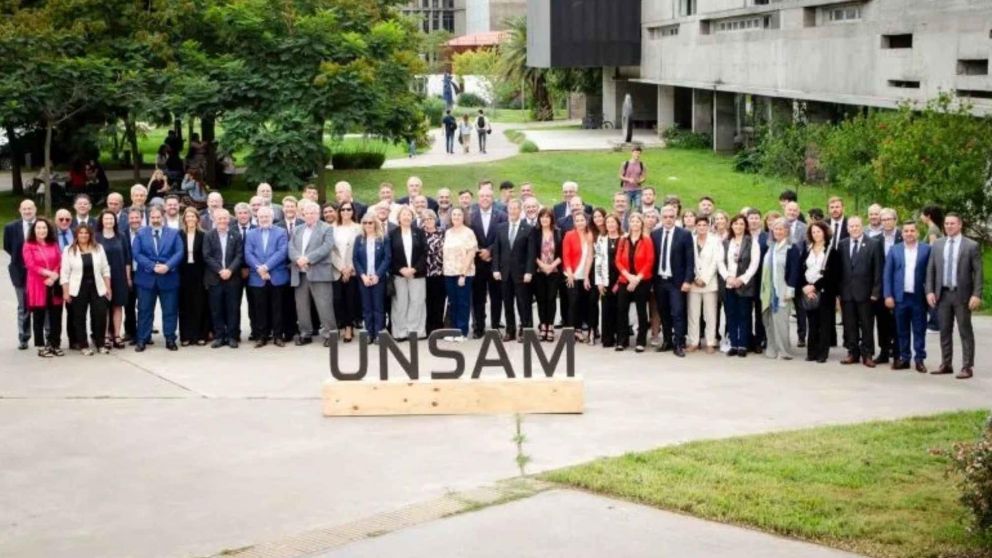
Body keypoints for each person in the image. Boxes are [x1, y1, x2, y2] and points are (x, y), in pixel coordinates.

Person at [925, 213, 983, 379]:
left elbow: (978, 272)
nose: (949, 226)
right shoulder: (937, 245)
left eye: (952, 223)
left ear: (960, 225)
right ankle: (946, 363)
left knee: (965, 331)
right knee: (944, 330)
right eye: (946, 223)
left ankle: (967, 366)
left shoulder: (971, 245)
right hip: (942, 294)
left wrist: (976, 294)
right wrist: (929, 291)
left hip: (962, 295)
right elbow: (931, 269)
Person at [133, 206, 183, 351]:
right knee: (144, 310)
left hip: (169, 277)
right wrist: (151, 266)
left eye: (158, 217)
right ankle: (142, 338)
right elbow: (137, 253)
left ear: (163, 217)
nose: (155, 220)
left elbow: (179, 252)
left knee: (170, 310)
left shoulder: (174, 233)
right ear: (149, 219)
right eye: (152, 218)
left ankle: (170, 338)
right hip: (146, 278)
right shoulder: (141, 234)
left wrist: (167, 266)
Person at [883, 221, 930, 372]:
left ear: (917, 233)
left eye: (912, 231)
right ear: (901, 233)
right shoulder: (894, 250)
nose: (909, 234)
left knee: (919, 329)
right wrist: (888, 295)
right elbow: (887, 274)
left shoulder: (926, 249)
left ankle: (920, 359)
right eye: (906, 231)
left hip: (918, 297)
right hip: (900, 297)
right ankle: (904, 358)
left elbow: (931, 273)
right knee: (901, 330)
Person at [289, 202, 337, 347]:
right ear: (302, 215)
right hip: (300, 273)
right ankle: (306, 333)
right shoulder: (297, 229)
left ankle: (330, 334)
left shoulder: (326, 228)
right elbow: (291, 247)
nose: (309, 215)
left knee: (324, 305)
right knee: (301, 306)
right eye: (306, 213)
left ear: (318, 214)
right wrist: (298, 259)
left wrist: (308, 259)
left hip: (319, 272)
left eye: (313, 213)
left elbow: (327, 247)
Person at [60, 224, 112, 356]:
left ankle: (100, 344)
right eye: (81, 233)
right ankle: (83, 344)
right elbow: (65, 273)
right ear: (76, 235)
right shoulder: (69, 250)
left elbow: (105, 269)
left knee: (100, 315)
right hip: (77, 288)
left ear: (90, 235)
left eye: (86, 233)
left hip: (97, 287)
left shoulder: (98, 248)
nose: (83, 235)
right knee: (79, 317)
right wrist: (66, 292)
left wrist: (108, 287)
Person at [838, 216, 882, 368]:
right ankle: (852, 353)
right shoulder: (842, 244)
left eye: (857, 226)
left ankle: (868, 354)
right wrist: (839, 293)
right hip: (847, 293)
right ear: (848, 228)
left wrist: (876, 292)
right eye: (851, 226)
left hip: (866, 293)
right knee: (849, 325)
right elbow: (840, 271)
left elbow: (878, 270)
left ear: (862, 227)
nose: (854, 229)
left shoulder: (873, 244)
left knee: (867, 325)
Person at [652, 205, 695, 357]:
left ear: (676, 218)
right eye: (665, 217)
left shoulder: (684, 234)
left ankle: (679, 343)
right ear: (661, 218)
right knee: (664, 312)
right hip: (659, 281)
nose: (668, 219)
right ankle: (667, 341)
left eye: (671, 217)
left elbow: (690, 260)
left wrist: (688, 280)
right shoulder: (655, 234)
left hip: (676, 282)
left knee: (677, 312)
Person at [245, 207, 290, 348]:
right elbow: (248, 253)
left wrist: (266, 267)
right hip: (257, 277)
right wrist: (259, 268)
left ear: (272, 218)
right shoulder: (251, 234)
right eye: (261, 217)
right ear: (257, 218)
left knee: (278, 308)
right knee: (260, 308)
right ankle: (261, 336)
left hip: (276, 276)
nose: (264, 219)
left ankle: (278, 336)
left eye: (267, 216)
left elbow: (282, 252)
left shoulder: (281, 232)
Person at [797, 221, 840, 363]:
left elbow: (832, 274)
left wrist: (814, 286)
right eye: (813, 232)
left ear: (825, 233)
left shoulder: (831, 251)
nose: (816, 234)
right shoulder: (808, 249)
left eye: (819, 231)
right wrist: (805, 286)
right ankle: (811, 352)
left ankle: (822, 353)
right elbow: (801, 269)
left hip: (824, 291)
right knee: (812, 323)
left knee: (825, 323)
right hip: (808, 290)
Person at [492, 199, 535, 342]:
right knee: (507, 303)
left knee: (523, 303)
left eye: (516, 208)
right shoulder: (500, 228)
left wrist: (529, 271)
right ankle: (510, 330)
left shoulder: (528, 228)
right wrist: (495, 268)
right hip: (504, 273)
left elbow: (531, 253)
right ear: (507, 210)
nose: (513, 211)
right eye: (511, 208)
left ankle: (525, 329)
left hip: (521, 273)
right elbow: (496, 250)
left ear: (520, 210)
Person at [719, 214, 761, 358]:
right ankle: (734, 344)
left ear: (746, 226)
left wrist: (742, 279)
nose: (738, 226)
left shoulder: (752, 242)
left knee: (744, 315)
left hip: (745, 285)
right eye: (735, 224)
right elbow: (720, 262)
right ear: (731, 226)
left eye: (741, 224)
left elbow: (754, 263)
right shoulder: (726, 242)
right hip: (729, 284)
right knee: (731, 315)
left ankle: (743, 345)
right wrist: (728, 277)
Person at [22, 218, 64, 357]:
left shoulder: (53, 244)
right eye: (39, 228)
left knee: (56, 316)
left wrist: (54, 275)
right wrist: (48, 273)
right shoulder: (29, 245)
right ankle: (41, 347)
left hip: (54, 284)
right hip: (37, 285)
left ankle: (54, 344)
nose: (42, 230)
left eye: (44, 228)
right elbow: (30, 265)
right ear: (34, 230)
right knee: (39, 317)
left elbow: (59, 261)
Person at [202, 209, 243, 349]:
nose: (222, 221)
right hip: (215, 278)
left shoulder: (236, 235)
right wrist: (220, 270)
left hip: (233, 278)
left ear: (229, 219)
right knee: (216, 308)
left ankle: (232, 336)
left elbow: (239, 255)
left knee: (233, 308)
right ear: (214, 220)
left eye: (225, 218)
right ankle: (219, 336)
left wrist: (230, 270)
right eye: (219, 218)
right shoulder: (208, 236)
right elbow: (206, 256)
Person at [469, 186, 507, 337]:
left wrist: (490, 251)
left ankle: (495, 326)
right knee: (478, 298)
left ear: (493, 198)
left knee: (496, 297)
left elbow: (502, 238)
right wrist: (480, 251)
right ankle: (479, 327)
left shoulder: (502, 216)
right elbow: (469, 238)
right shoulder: (471, 216)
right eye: (482, 196)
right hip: (477, 263)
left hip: (495, 262)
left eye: (488, 196)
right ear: (478, 198)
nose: (485, 198)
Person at [761, 218, 801, 360]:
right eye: (775, 229)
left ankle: (784, 351)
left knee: (781, 322)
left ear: (787, 231)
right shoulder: (770, 247)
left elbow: (795, 270)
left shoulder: (791, 248)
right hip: (768, 291)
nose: (778, 231)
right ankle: (772, 349)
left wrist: (790, 290)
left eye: (781, 229)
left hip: (782, 291)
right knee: (769, 322)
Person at [615, 212, 655, 352]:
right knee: (621, 310)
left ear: (642, 223)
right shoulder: (623, 239)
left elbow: (650, 261)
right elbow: (618, 261)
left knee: (641, 311)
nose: (635, 224)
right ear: (629, 223)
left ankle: (641, 341)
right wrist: (628, 276)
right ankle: (622, 340)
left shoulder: (646, 240)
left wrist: (637, 278)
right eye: (633, 221)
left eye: (638, 221)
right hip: (624, 279)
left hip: (642, 280)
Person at [388, 206, 427, 340]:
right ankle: (400, 332)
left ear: (412, 217)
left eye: (409, 215)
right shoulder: (392, 234)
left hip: (417, 272)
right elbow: (390, 255)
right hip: (399, 274)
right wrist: (401, 269)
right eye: (403, 215)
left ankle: (416, 331)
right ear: (398, 218)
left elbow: (424, 253)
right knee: (400, 303)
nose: (406, 217)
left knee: (417, 302)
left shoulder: (419, 232)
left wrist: (414, 269)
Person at [686, 215, 722, 353]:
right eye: (699, 225)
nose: (701, 227)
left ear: (708, 226)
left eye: (704, 225)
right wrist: (695, 277)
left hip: (709, 283)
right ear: (695, 226)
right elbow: (689, 260)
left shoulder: (715, 241)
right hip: (694, 283)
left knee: (710, 314)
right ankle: (694, 341)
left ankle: (710, 342)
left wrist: (705, 279)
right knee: (693, 314)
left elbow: (716, 262)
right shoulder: (691, 240)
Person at [96, 210, 131, 350]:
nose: (109, 221)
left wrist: (128, 277)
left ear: (115, 221)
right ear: (102, 221)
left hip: (119, 276)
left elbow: (128, 258)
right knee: (104, 307)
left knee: (117, 305)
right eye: (106, 219)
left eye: (111, 219)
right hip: (102, 277)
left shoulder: (121, 236)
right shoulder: (96, 237)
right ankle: (105, 336)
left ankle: (116, 334)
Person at [5, 199, 36, 350]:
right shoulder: (10, 227)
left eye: (30, 208)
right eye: (24, 209)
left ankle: (47, 336)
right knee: (23, 306)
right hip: (19, 271)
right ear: (20, 210)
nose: (27, 211)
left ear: (35, 209)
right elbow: (8, 247)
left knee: (44, 305)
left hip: (39, 272)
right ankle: (23, 337)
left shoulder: (43, 225)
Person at [354, 215, 391, 343]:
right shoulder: (359, 239)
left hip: (378, 278)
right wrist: (363, 276)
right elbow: (355, 259)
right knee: (367, 307)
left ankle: (379, 333)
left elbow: (387, 259)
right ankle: (369, 333)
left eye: (371, 223)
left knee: (378, 307)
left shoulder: (383, 238)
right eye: (365, 223)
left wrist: (377, 275)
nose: (368, 225)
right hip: (364, 278)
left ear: (375, 224)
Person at [442, 207, 478, 341]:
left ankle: (462, 331)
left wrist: (463, 274)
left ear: (464, 217)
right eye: (454, 215)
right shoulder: (448, 232)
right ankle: (453, 330)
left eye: (459, 215)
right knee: (452, 302)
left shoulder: (468, 232)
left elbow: (471, 254)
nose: (456, 217)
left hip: (464, 273)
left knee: (463, 302)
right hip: (449, 272)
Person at [563, 211, 596, 343]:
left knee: (583, 302)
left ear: (586, 221)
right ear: (574, 222)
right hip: (571, 274)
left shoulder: (589, 235)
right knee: (573, 302)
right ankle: (572, 330)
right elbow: (566, 255)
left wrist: (587, 276)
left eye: (582, 220)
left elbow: (589, 257)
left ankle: (580, 329)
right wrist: (570, 273)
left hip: (584, 274)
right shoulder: (569, 235)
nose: (580, 223)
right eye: (577, 221)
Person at [332, 201, 362, 342]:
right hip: (337, 270)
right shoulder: (332, 228)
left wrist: (350, 268)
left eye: (348, 209)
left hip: (352, 270)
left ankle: (349, 328)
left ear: (353, 211)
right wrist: (341, 268)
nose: (345, 212)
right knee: (338, 300)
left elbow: (360, 251)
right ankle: (342, 325)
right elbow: (330, 250)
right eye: (342, 209)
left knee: (351, 300)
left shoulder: (359, 228)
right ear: (339, 212)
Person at [531, 208, 563, 342]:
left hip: (554, 272)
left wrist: (551, 266)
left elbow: (562, 253)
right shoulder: (535, 232)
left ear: (551, 219)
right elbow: (532, 252)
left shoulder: (558, 232)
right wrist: (543, 266)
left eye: (547, 217)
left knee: (551, 299)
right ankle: (543, 325)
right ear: (539, 219)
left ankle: (550, 326)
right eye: (542, 217)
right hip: (539, 272)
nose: (545, 219)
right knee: (541, 300)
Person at [178, 208, 209, 346]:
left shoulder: (204, 235)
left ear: (197, 219)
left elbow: (206, 256)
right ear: (184, 219)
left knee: (200, 304)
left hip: (199, 272)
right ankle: (186, 336)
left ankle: (200, 335)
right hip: (183, 273)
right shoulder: (179, 235)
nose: (190, 219)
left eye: (193, 216)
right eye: (187, 216)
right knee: (185, 304)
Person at [595, 212, 623, 348]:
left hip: (621, 278)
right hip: (606, 277)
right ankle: (608, 338)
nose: (611, 225)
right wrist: (599, 281)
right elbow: (598, 261)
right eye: (608, 223)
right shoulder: (601, 239)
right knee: (606, 308)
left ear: (618, 224)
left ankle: (621, 339)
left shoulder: (624, 238)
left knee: (620, 308)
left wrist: (621, 279)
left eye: (613, 222)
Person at [421, 210, 447, 334]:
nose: (428, 221)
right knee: (427, 301)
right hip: (424, 273)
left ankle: (438, 326)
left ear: (435, 219)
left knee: (439, 301)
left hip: (440, 272)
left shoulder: (443, 232)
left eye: (430, 218)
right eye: (425, 219)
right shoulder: (419, 234)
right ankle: (428, 327)